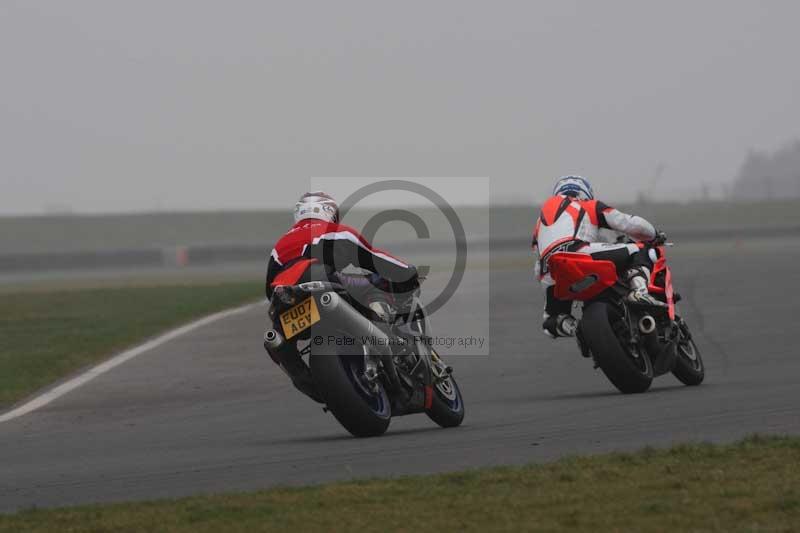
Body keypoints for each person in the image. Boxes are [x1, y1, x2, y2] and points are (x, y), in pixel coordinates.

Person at [265, 191, 420, 400]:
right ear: (329, 211)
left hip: (285, 298)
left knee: (276, 341)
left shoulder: (279, 246)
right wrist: (407, 272)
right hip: (320, 281)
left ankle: (310, 382)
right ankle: (383, 329)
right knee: (371, 284)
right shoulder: (334, 231)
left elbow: (269, 286)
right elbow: (374, 258)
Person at [532, 176, 666, 339]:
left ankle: (576, 329)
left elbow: (537, 266)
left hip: (550, 271)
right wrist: (654, 234)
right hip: (578, 252)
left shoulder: (539, 224)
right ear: (585, 192)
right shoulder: (586, 205)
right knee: (642, 250)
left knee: (550, 321)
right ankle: (640, 292)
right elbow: (627, 223)